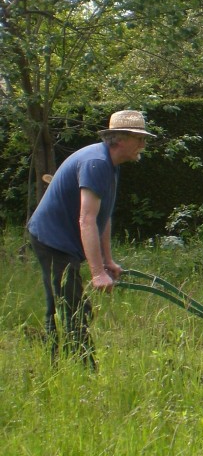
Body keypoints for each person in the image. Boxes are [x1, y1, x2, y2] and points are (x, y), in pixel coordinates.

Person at [27, 110, 155, 370]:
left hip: (64, 239)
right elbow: (86, 220)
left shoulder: (110, 165)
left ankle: (59, 362)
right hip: (52, 239)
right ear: (119, 139)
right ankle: (82, 368)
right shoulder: (96, 163)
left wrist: (107, 261)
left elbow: (102, 218)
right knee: (71, 305)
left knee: (65, 302)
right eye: (138, 138)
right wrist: (97, 273)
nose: (143, 144)